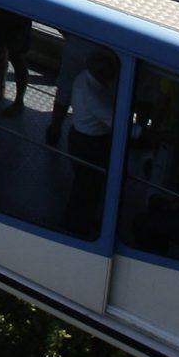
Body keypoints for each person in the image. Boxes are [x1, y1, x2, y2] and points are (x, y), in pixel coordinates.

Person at [56, 48, 115, 237]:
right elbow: (113, 119)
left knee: (86, 185)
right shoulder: (92, 94)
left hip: (82, 138)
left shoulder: (83, 78)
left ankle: (81, 220)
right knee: (87, 185)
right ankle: (75, 224)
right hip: (90, 144)